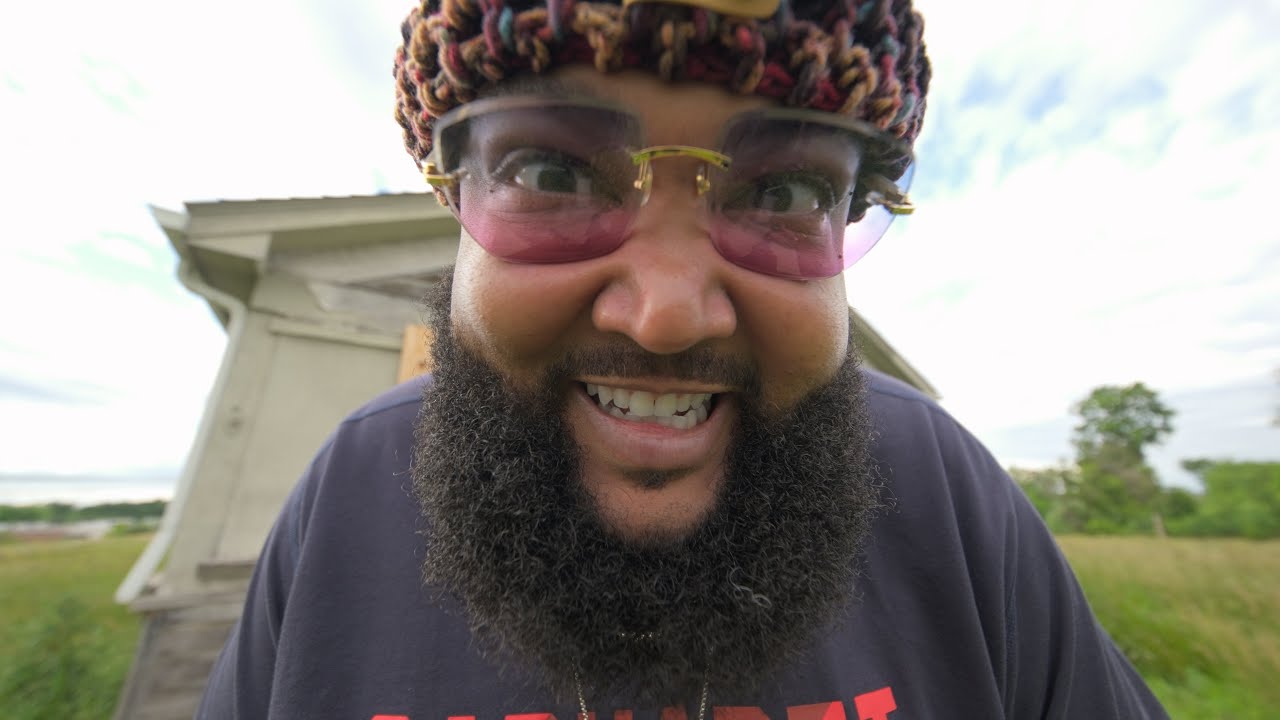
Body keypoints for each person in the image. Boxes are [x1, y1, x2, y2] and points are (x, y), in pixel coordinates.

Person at [197, 1, 1170, 718]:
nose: (665, 315)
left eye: (786, 193)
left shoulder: (941, 490)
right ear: (455, 200)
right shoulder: (349, 491)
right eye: (549, 172)